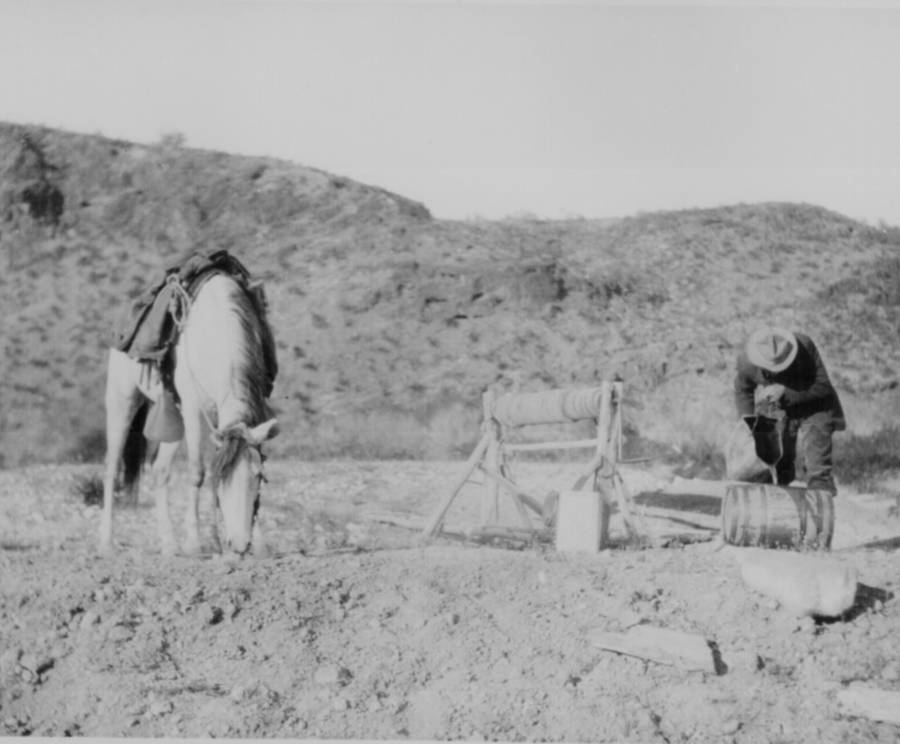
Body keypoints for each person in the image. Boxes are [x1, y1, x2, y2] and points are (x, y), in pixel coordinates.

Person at [734, 327, 845, 493]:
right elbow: (743, 391)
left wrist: (784, 392)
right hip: (780, 409)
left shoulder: (805, 347)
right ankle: (778, 509)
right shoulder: (746, 361)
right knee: (776, 467)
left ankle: (820, 506)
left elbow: (823, 387)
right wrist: (750, 424)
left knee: (818, 471)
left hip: (816, 405)